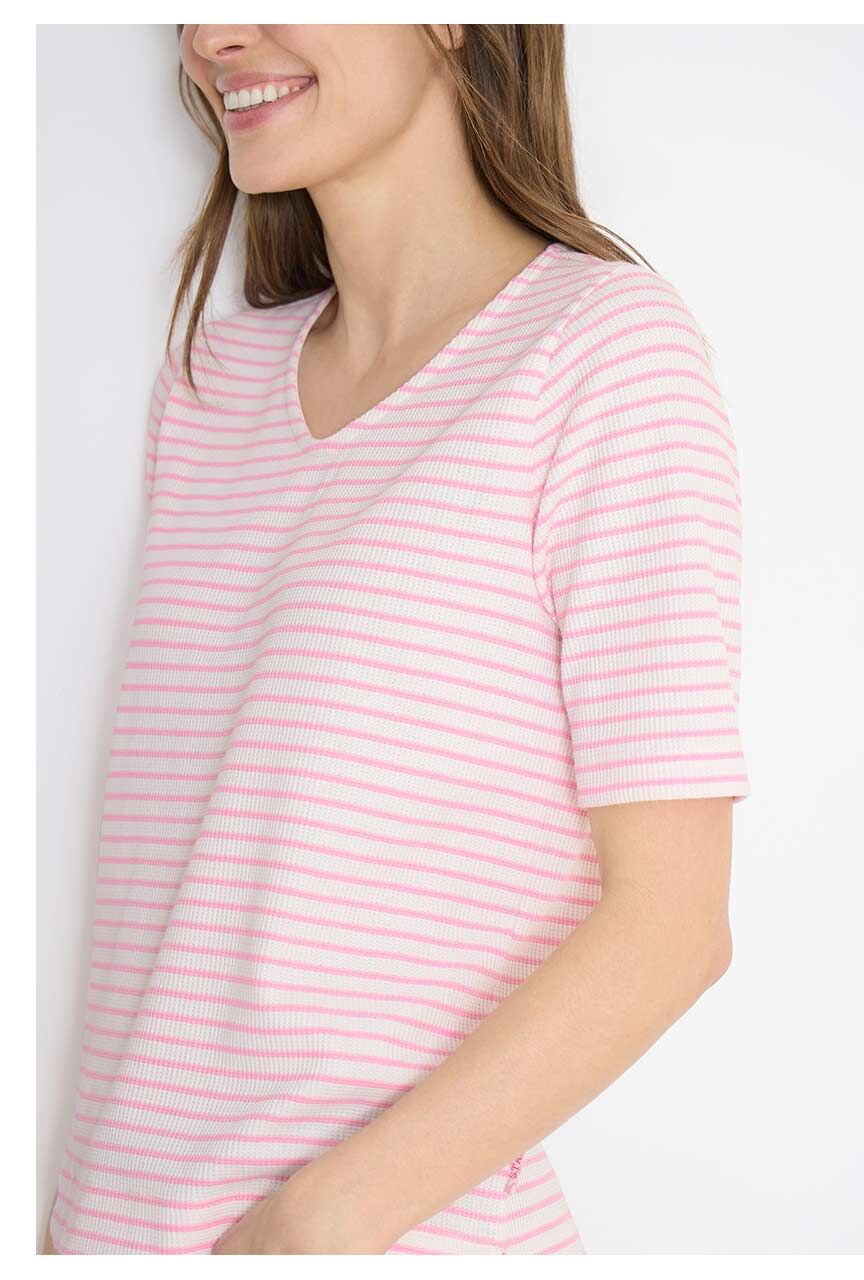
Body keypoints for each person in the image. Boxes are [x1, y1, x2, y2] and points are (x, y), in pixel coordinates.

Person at [43, 22, 750, 1255]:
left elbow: (670, 925)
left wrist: (315, 1224)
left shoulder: (599, 353)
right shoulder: (212, 383)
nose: (210, 35)